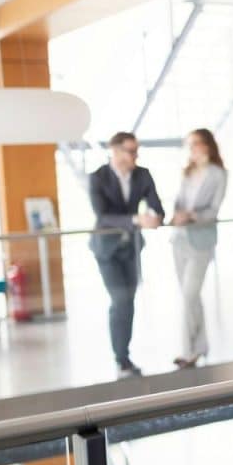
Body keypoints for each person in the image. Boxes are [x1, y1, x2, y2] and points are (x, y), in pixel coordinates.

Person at [88, 132, 165, 378]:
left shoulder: (142, 175)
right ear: (115, 150)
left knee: (128, 300)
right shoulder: (97, 178)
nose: (135, 156)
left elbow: (157, 206)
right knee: (120, 299)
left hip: (131, 248)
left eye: (136, 151)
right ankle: (121, 359)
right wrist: (135, 219)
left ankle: (124, 356)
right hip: (106, 249)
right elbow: (103, 216)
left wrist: (155, 216)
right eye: (131, 151)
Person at [170, 129, 227, 369]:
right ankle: (201, 347)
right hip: (179, 239)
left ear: (207, 145)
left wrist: (191, 215)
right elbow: (177, 202)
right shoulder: (187, 173)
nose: (191, 149)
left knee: (189, 296)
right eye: (188, 145)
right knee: (191, 297)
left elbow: (214, 210)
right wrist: (176, 215)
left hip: (201, 241)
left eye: (194, 144)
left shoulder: (219, 174)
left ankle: (187, 352)